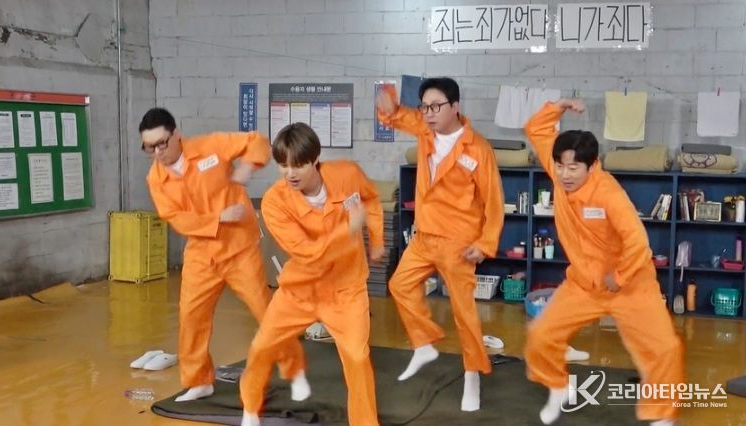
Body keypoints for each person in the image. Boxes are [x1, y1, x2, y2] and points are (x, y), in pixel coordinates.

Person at [522, 98, 685, 426]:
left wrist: (620, 276)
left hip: (630, 284)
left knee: (664, 349)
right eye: (560, 166)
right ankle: (558, 386)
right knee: (540, 336)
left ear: (592, 165)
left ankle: (661, 416)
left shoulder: (609, 194)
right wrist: (559, 106)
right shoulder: (560, 173)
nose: (565, 175)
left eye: (574, 168)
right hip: (584, 284)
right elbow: (536, 129)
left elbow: (638, 242)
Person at [140, 108, 307, 403]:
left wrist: (248, 166)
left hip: (239, 249)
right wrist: (217, 219)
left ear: (176, 135)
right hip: (201, 254)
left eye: (161, 143)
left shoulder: (211, 146)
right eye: (149, 147)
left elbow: (257, 141)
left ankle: (295, 370)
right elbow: (175, 218)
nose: (157, 153)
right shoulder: (156, 178)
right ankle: (198, 381)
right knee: (191, 317)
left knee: (265, 310)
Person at [238, 123, 384, 426]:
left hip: (346, 288)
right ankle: (250, 410)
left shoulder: (347, 174)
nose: (290, 173)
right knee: (262, 348)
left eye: (298, 165)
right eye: (283, 165)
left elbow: (371, 198)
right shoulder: (274, 202)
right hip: (300, 289)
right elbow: (308, 252)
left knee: (357, 358)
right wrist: (348, 230)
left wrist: (378, 240)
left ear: (315, 159)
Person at [376, 77, 504, 411]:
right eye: (425, 107)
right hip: (424, 236)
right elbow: (396, 115)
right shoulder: (424, 130)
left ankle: (472, 375)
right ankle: (424, 343)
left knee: (465, 314)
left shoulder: (478, 149)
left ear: (455, 107)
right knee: (399, 285)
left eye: (436, 106)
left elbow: (494, 202)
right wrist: (387, 101)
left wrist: (485, 243)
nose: (429, 113)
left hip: (458, 243)